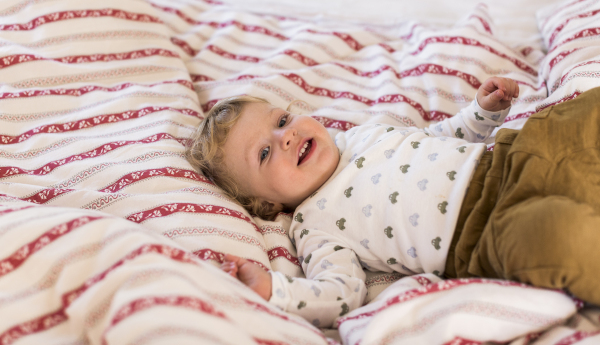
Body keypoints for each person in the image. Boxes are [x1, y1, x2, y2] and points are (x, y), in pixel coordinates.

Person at [186, 77, 600, 328]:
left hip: (510, 158)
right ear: (263, 205)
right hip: (489, 228)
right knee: (564, 238)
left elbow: (439, 137)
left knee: (579, 117)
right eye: (264, 153)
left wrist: (481, 113)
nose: (287, 136)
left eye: (281, 121)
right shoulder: (314, 225)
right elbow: (339, 293)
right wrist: (273, 289)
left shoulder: (363, 135)